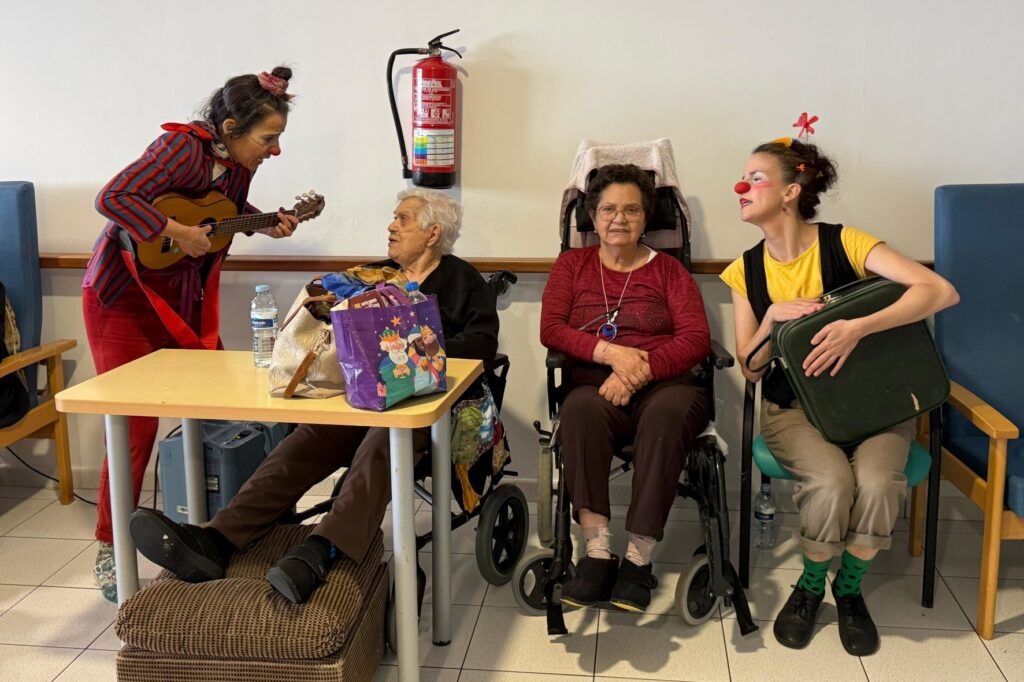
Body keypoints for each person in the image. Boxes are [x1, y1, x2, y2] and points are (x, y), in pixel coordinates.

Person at [128, 189, 501, 604]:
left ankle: (323, 550)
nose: (391, 226)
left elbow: (483, 344)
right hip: (363, 401)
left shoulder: (463, 282)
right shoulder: (374, 276)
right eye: (393, 217)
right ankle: (215, 540)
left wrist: (417, 344)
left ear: (433, 234)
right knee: (303, 442)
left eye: (403, 219)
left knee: (383, 442)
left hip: (426, 410)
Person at [721, 136, 959, 655]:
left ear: (791, 191)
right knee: (830, 483)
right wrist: (770, 319)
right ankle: (811, 585)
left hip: (873, 404)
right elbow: (752, 369)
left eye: (755, 178)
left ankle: (847, 588)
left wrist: (859, 327)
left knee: (875, 484)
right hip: (793, 411)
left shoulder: (846, 243)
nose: (741, 188)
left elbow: (941, 292)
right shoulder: (745, 271)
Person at [83, 67, 301, 601]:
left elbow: (221, 213)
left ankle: (217, 530)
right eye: (268, 138)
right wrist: (176, 232)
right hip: (123, 300)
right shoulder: (182, 148)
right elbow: (113, 198)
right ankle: (111, 548)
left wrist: (264, 222)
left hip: (180, 300)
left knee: (227, 404)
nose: (275, 150)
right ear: (230, 128)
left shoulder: (238, 167)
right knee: (134, 427)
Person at [540, 164, 712, 612]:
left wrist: (640, 369)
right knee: (579, 410)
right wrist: (611, 355)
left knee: (665, 416)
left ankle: (638, 559)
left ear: (646, 217)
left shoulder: (670, 271)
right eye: (608, 209)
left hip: (668, 386)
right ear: (593, 216)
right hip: (596, 388)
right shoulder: (571, 265)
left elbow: (696, 339)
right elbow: (552, 329)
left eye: (632, 210)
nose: (619, 218)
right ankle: (597, 553)